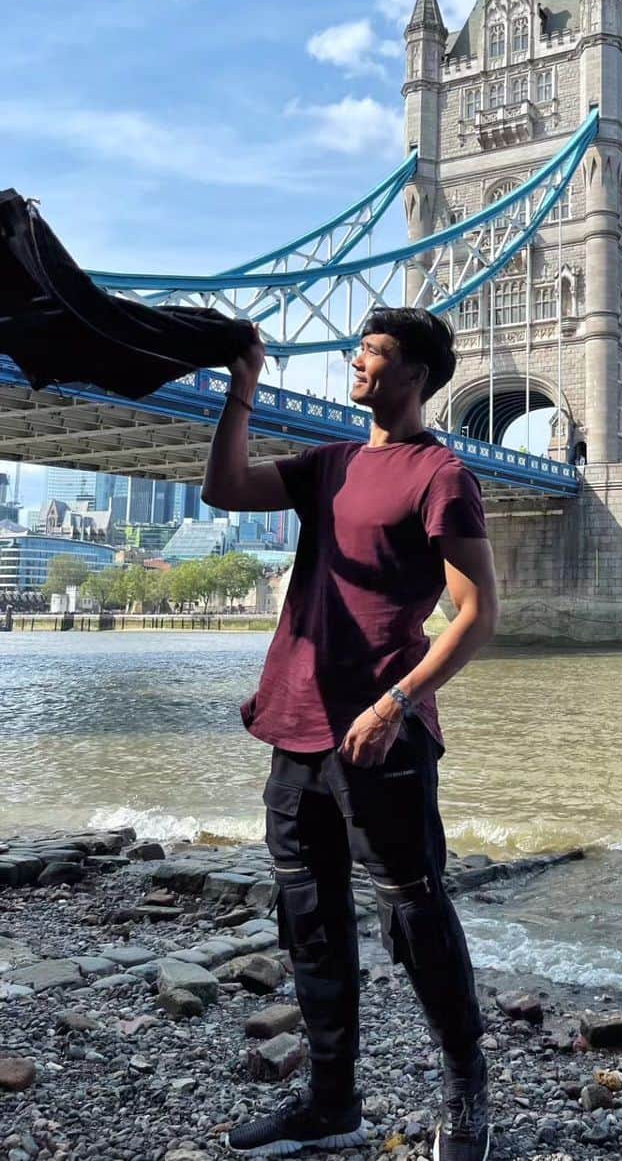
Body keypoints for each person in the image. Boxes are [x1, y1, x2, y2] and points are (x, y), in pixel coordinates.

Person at [202, 307, 499, 1160]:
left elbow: (477, 613)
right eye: (360, 349)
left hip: (380, 736)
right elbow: (225, 489)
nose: (355, 361)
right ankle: (332, 1103)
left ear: (413, 375)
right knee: (311, 924)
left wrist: (396, 703)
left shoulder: (440, 475)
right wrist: (243, 390)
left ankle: (467, 1093)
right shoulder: (330, 462)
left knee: (416, 919)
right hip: (294, 729)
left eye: (371, 352)